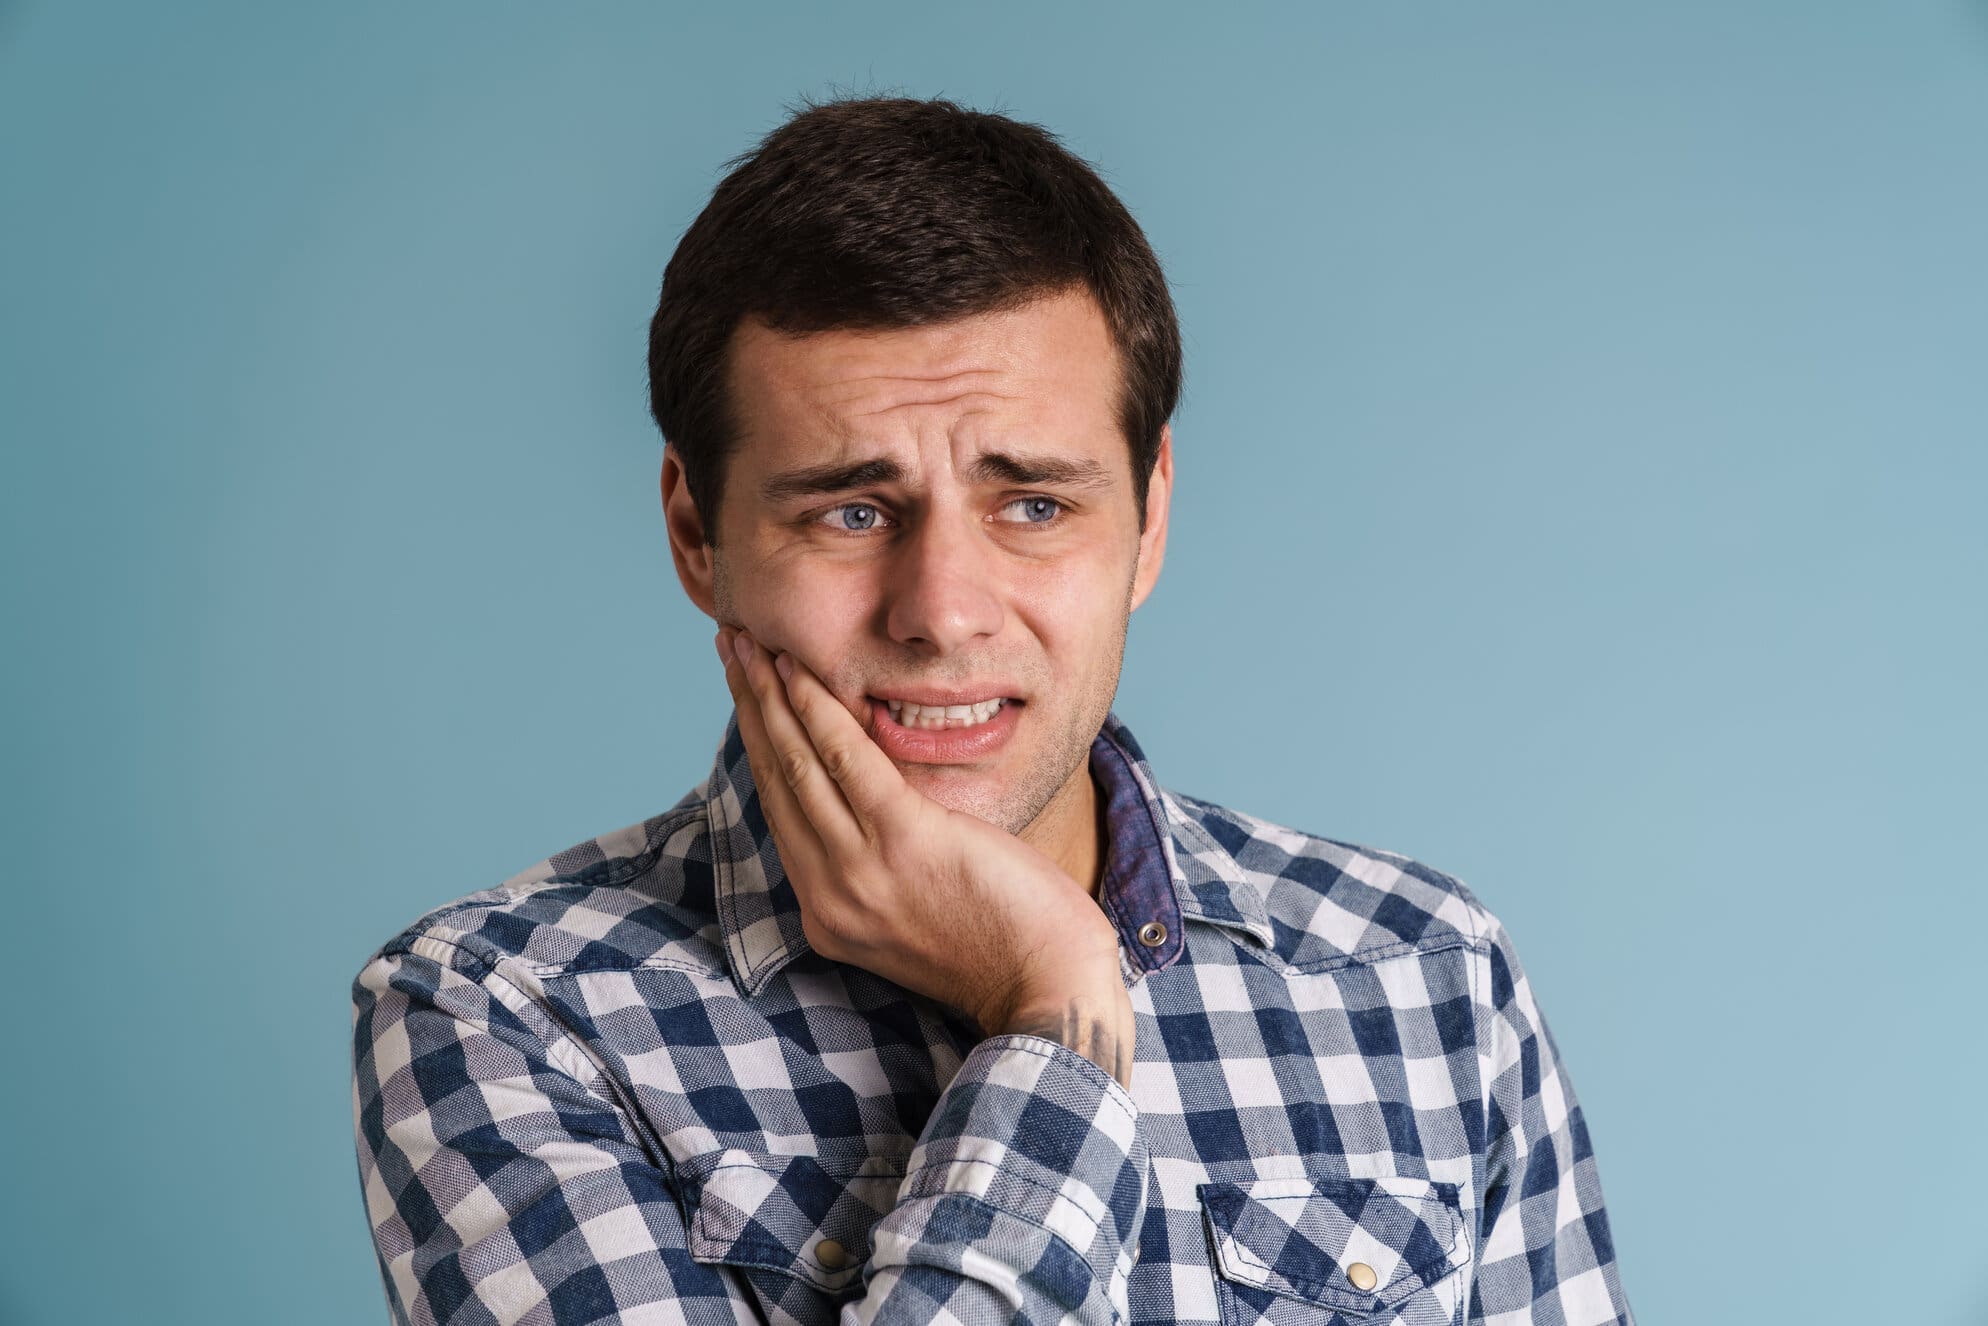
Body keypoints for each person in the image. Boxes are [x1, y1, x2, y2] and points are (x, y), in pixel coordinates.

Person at [350, 94, 1635, 1326]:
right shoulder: (508, 1014)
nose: (943, 611)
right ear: (697, 532)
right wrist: (1054, 1016)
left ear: (1149, 515)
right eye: (850, 512)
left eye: (1033, 506)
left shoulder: (1417, 972)